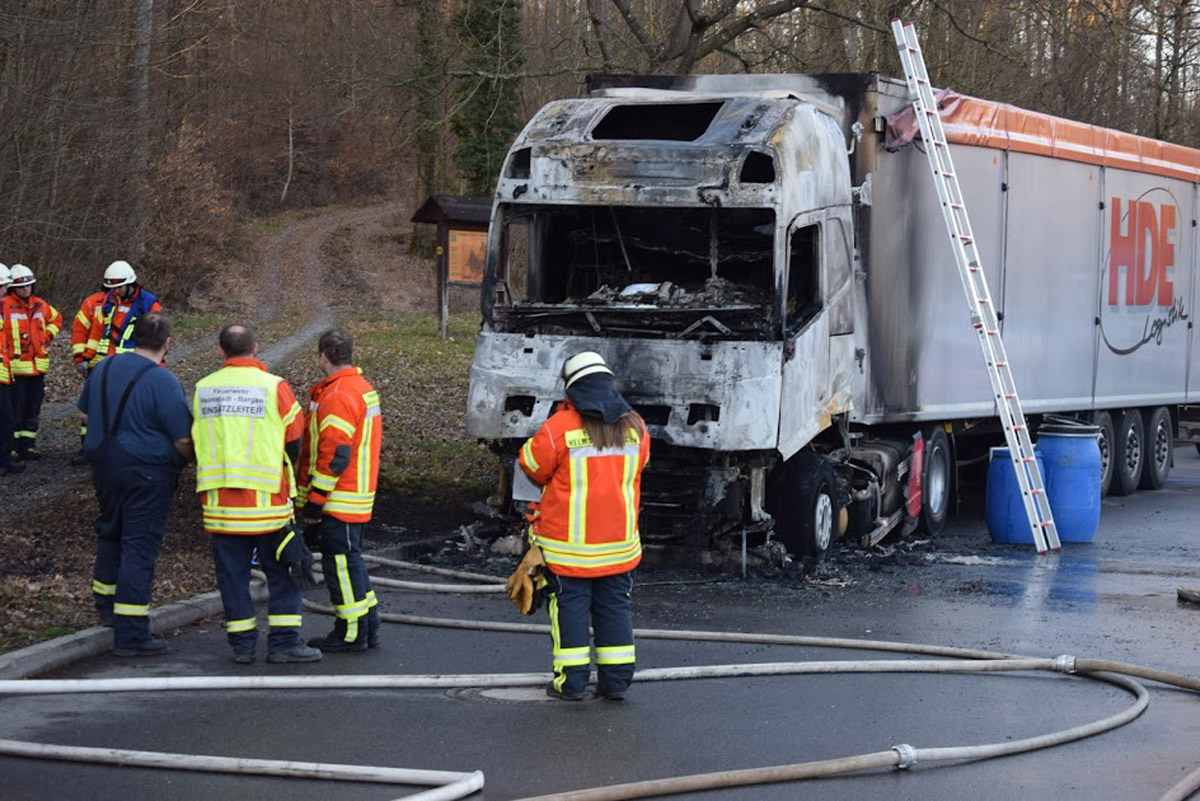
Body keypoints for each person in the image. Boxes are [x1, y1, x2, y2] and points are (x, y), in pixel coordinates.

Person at [514, 351, 649, 701]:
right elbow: (639, 466)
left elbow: (530, 465)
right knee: (615, 611)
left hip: (569, 552)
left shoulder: (559, 428)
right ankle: (616, 683)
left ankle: (571, 684)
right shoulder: (636, 427)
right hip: (619, 548)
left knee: (569, 613)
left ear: (571, 390)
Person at [192, 325, 321, 665]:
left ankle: (243, 646)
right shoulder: (274, 387)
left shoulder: (203, 389)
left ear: (221, 351)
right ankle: (284, 644)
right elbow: (295, 439)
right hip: (268, 507)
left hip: (221, 508)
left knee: (232, 579)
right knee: (283, 574)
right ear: (256, 348)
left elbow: (196, 441)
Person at [78, 313, 192, 656]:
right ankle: (131, 634)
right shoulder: (163, 381)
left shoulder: (104, 367)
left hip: (104, 466)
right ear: (167, 344)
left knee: (111, 533)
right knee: (139, 546)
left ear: (132, 337)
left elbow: (84, 413)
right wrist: (181, 460)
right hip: (146, 472)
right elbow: (184, 438)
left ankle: (106, 607)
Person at [297, 329, 381, 653]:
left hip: (339, 498)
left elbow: (334, 456)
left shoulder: (337, 395)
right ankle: (367, 626)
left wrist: (314, 502)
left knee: (341, 568)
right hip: (355, 496)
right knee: (352, 564)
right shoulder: (358, 388)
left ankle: (350, 634)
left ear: (323, 356)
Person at [2, 265, 62, 460]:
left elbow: (56, 319)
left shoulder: (40, 305)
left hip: (38, 368)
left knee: (33, 407)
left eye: (29, 286)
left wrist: (47, 336)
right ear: (13, 288)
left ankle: (28, 446)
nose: (26, 290)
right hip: (16, 369)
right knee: (14, 410)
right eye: (21, 287)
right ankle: (11, 446)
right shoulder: (5, 305)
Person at [91, 260, 162, 359]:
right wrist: (87, 357)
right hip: (105, 362)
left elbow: (157, 338)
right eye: (113, 288)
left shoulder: (148, 303)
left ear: (130, 283)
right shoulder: (109, 301)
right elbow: (97, 329)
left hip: (132, 364)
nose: (116, 291)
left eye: (119, 287)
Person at [0, 264, 26, 476]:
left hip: (4, 373)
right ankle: (4, 459)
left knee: (7, 417)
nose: (5, 291)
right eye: (4, 286)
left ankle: (5, 458)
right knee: (5, 418)